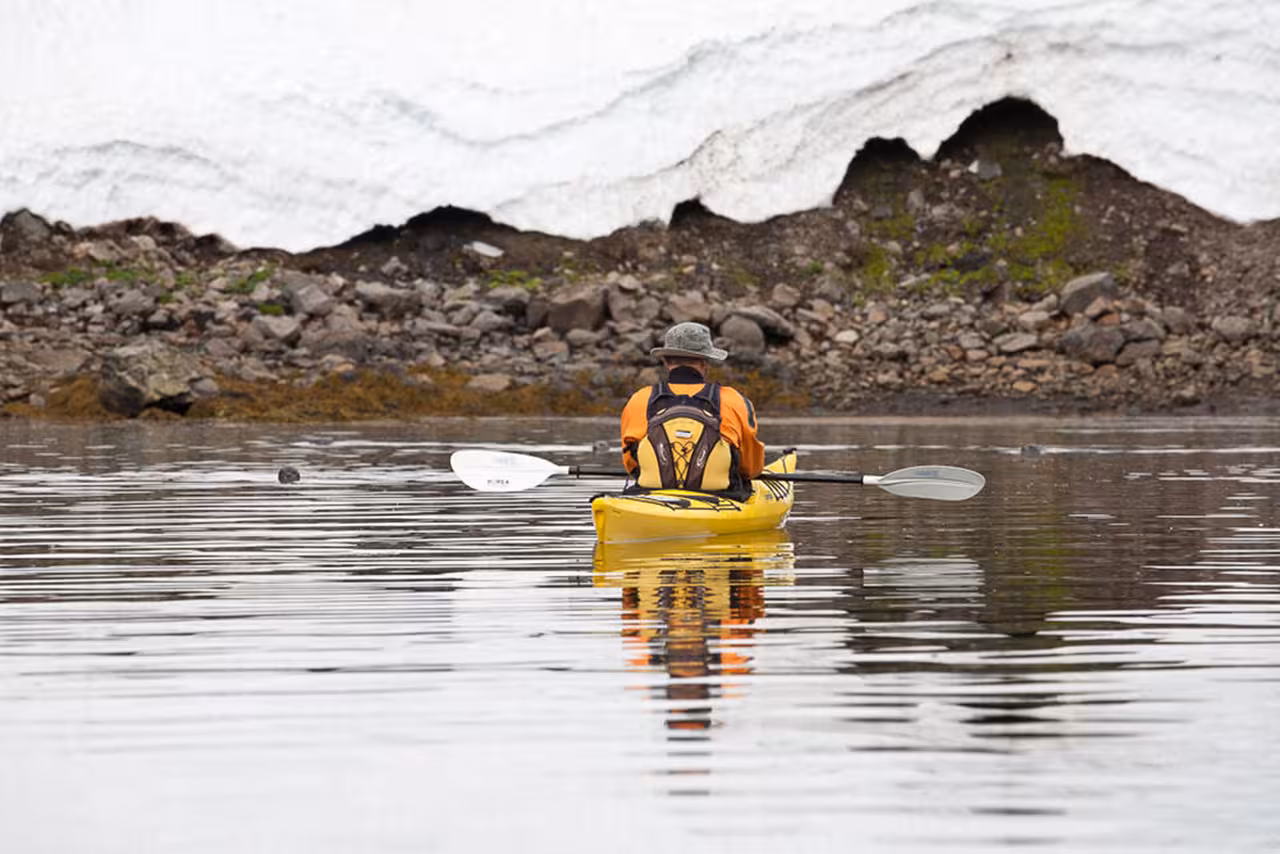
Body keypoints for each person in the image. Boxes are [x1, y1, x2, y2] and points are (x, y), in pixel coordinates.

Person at [620, 322, 765, 496]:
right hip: (720, 497)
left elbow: (631, 464)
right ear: (705, 362)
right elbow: (750, 467)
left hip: (652, 495)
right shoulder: (734, 400)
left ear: (666, 361)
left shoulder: (640, 399)